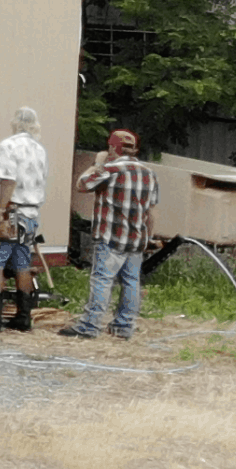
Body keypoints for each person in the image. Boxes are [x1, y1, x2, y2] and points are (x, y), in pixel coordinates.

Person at [60, 128, 160, 341]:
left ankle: (90, 326)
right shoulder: (148, 173)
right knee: (132, 281)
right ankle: (124, 327)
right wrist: (148, 238)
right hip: (136, 239)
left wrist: (98, 163)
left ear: (113, 147)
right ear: (135, 149)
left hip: (110, 236)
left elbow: (81, 185)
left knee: (102, 281)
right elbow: (150, 213)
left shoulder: (110, 169)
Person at [0, 108, 48, 332]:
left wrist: (0, 210)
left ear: (14, 123)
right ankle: (23, 317)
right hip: (31, 213)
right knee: (22, 262)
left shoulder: (8, 145)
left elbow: (8, 180)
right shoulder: (39, 149)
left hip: (11, 211)